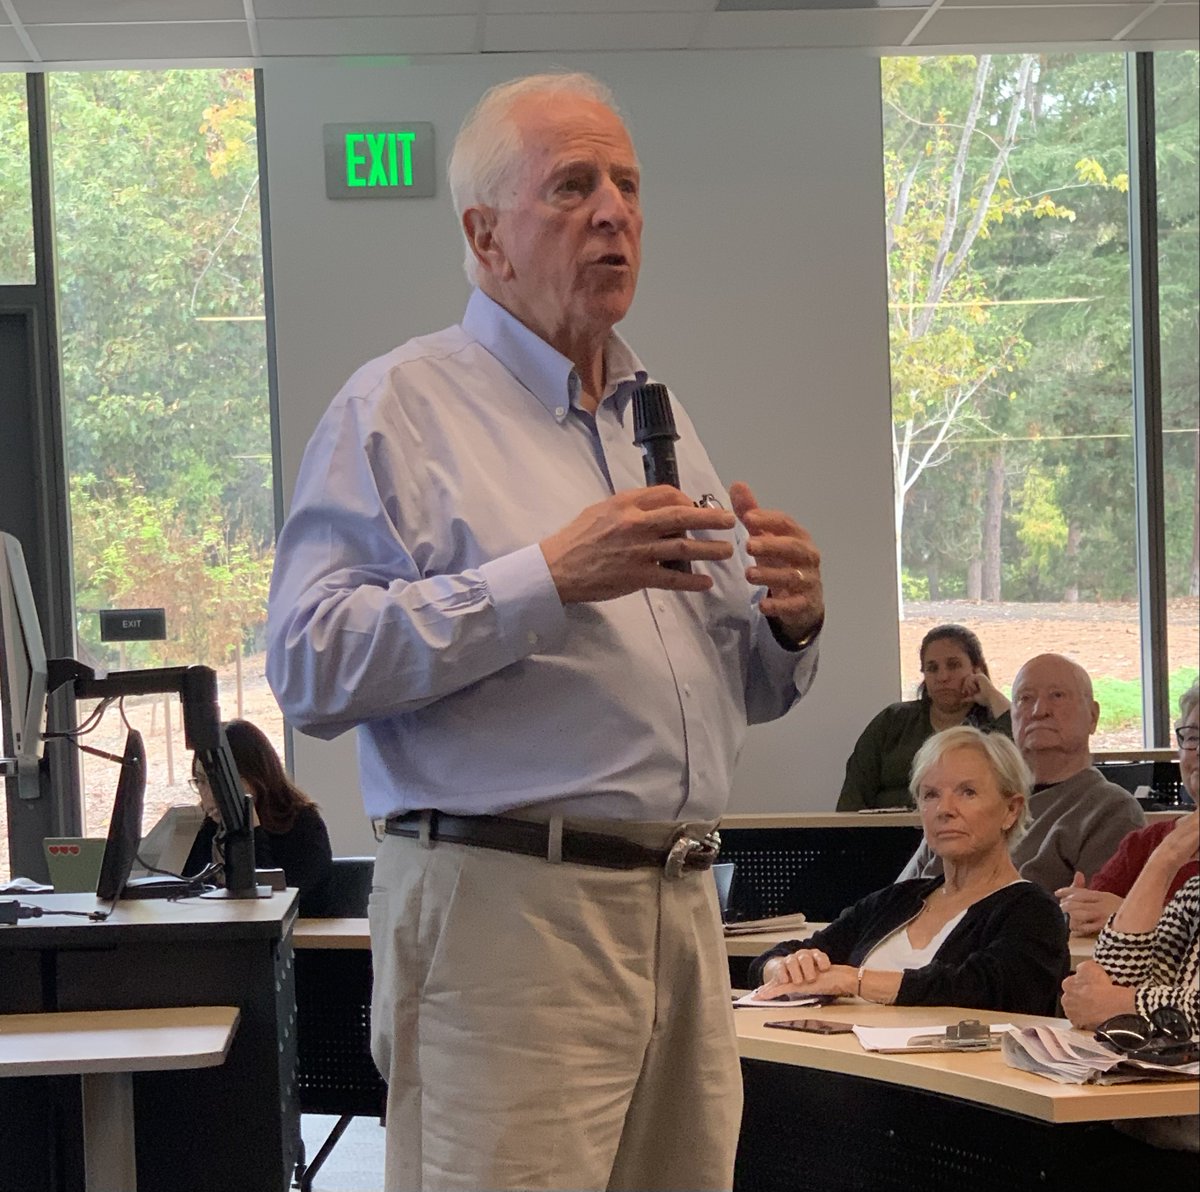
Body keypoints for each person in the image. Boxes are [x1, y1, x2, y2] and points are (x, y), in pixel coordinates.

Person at [265, 72, 824, 1192]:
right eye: (573, 185)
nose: (615, 210)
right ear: (485, 234)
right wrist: (544, 578)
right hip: (507, 917)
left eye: (627, 184)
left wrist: (788, 626)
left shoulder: (655, 413)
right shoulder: (399, 408)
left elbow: (720, 686)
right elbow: (311, 663)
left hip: (682, 908)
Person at [750, 726, 1068, 1015]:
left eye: (967, 792)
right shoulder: (897, 899)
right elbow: (775, 958)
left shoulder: (1032, 911)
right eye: (931, 795)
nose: (945, 809)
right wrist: (784, 969)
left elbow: (987, 990)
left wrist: (855, 981)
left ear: (1011, 810)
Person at [899, 653, 1145, 891]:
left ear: (1093, 716)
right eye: (1025, 699)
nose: (1039, 710)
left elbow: (1096, 918)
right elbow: (896, 900)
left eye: (1057, 696)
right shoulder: (965, 802)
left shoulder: (1111, 811)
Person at [1061, 815, 1199, 1155]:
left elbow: (1110, 1000)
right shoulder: (1195, 893)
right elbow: (1112, 979)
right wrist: (1162, 861)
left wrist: (1124, 1004)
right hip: (1154, 1128)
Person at [1058, 680, 1200, 935]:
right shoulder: (1143, 844)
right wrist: (1080, 910)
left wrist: (1131, 914)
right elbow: (1096, 906)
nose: (1198, 749)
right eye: (1192, 736)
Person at [837, 623, 1011, 810]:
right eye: (932, 668)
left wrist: (992, 695)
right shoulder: (892, 721)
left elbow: (1022, 771)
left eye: (953, 665)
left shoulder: (994, 727)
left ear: (977, 669)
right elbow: (853, 796)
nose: (942, 676)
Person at [184, 718, 334, 916]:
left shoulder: (304, 825)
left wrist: (252, 830)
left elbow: (274, 905)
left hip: (294, 940)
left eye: (218, 780)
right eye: (201, 781)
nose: (209, 794)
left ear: (256, 776)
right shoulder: (208, 829)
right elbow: (183, 896)